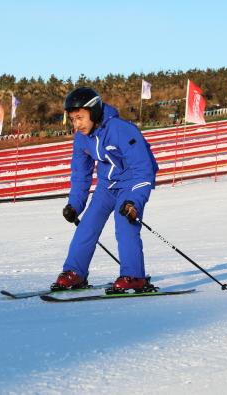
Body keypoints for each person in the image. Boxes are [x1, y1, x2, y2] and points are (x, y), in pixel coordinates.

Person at [52, 87, 159, 293]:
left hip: (130, 184)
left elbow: (143, 169)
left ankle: (134, 276)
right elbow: (80, 175)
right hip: (106, 187)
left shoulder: (120, 130)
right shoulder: (81, 138)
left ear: (94, 112)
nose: (77, 124)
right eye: (73, 119)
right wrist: (75, 204)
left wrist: (134, 201)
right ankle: (75, 273)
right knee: (87, 226)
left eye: (80, 118)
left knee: (125, 225)